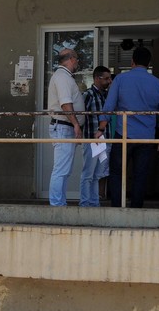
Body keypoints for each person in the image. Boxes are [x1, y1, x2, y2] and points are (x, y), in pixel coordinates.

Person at [96, 46, 159, 208]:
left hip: (123, 134)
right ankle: (136, 208)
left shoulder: (121, 80)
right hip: (146, 137)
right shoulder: (158, 84)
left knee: (117, 173)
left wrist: (101, 128)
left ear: (132, 62)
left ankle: (117, 207)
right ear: (149, 63)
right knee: (140, 175)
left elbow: (109, 106)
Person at [47, 48, 85, 206]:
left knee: (63, 170)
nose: (77, 62)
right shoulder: (62, 77)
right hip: (64, 126)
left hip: (65, 126)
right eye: (76, 58)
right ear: (70, 59)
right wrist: (76, 124)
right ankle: (57, 205)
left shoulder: (64, 76)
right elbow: (65, 104)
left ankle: (59, 204)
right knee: (61, 170)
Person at [79, 65, 112, 207]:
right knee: (88, 174)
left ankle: (94, 203)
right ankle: (85, 203)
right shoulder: (88, 95)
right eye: (106, 79)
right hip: (92, 140)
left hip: (105, 140)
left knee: (97, 175)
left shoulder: (107, 95)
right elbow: (81, 116)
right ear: (97, 79)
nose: (109, 81)